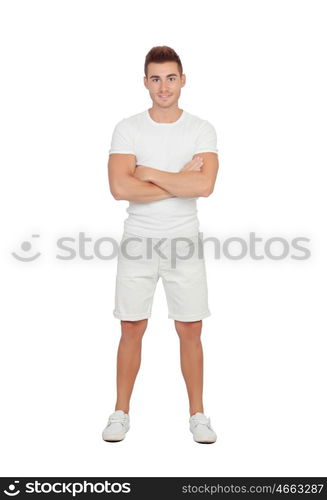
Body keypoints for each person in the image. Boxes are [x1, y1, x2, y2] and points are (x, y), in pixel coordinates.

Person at [102, 46, 219, 444]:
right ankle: (120, 412)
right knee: (131, 325)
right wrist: (177, 178)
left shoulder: (201, 129)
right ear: (145, 82)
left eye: (171, 78)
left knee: (190, 327)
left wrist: (148, 173)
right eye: (155, 78)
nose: (163, 86)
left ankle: (198, 415)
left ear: (182, 80)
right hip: (138, 241)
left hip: (184, 242)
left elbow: (203, 185)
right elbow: (120, 187)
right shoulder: (128, 128)